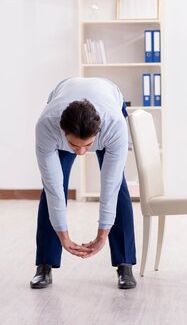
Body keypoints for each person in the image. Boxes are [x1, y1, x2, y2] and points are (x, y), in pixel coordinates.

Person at [30, 77, 137, 289]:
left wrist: (101, 235)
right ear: (62, 132)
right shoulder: (47, 126)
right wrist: (64, 236)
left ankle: (125, 265)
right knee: (53, 187)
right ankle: (44, 265)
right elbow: (53, 188)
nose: (80, 152)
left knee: (118, 186)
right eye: (73, 145)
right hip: (63, 94)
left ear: (96, 135)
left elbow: (109, 186)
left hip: (109, 98)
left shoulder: (114, 126)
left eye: (87, 145)